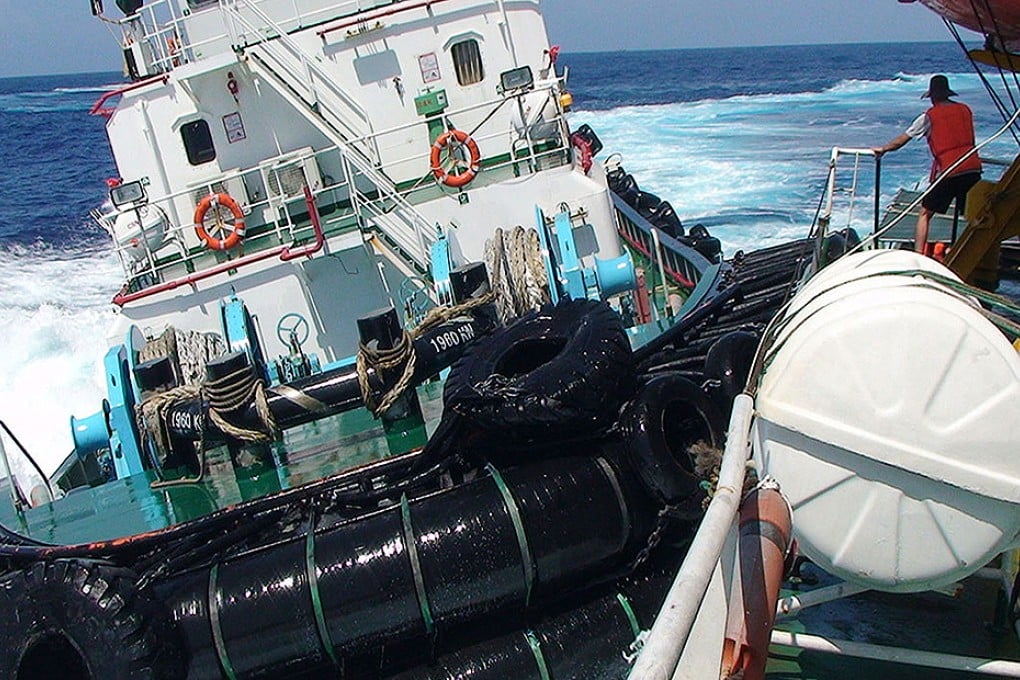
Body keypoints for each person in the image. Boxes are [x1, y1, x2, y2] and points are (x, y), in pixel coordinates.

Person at [873, 74, 982, 254]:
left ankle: (919, 254)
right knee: (972, 214)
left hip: (951, 171)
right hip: (972, 168)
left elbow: (902, 140)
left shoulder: (928, 117)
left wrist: (884, 149)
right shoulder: (965, 110)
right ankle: (972, 251)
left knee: (925, 212)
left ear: (932, 96)